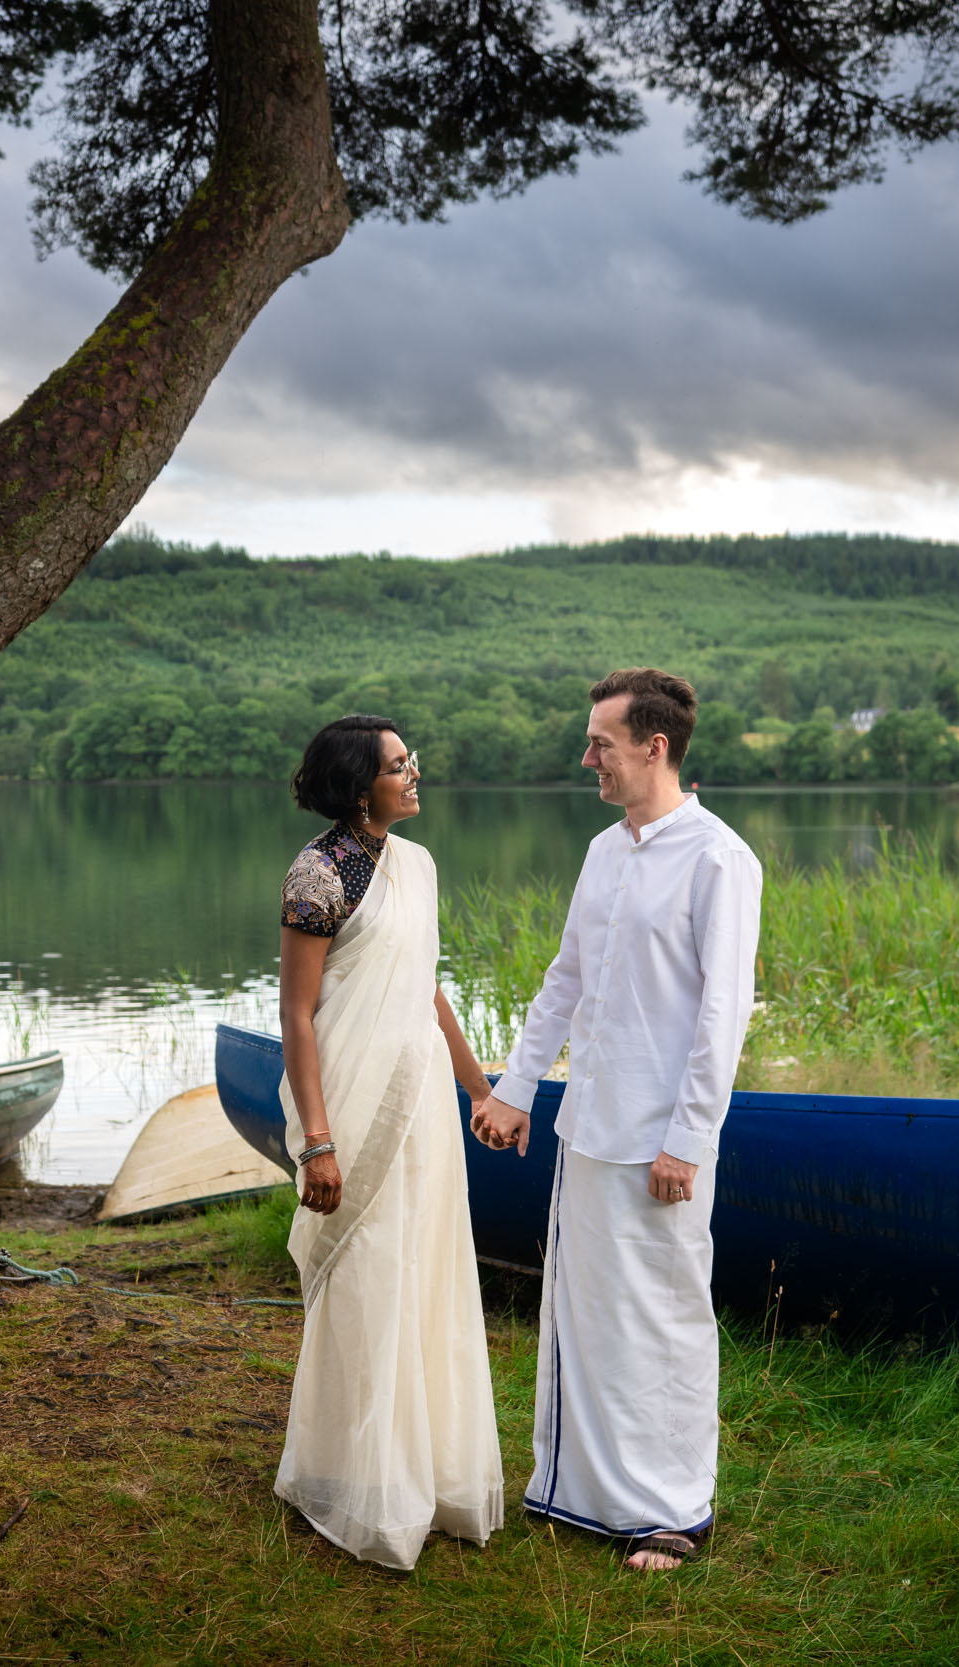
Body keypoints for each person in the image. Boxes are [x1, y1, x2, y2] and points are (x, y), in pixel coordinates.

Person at [469, 668, 762, 1573]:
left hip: (661, 1139)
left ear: (654, 747)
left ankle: (675, 1511)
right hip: (586, 1126)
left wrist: (689, 1139)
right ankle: (584, 1493)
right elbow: (567, 976)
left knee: (665, 1316)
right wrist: (516, 1087)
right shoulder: (604, 850)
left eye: (600, 741)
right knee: (583, 1312)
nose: (586, 756)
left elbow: (724, 1014)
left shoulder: (720, 858)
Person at [273, 715, 506, 1570]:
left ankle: (425, 1472)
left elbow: (425, 989)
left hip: (423, 1110)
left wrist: (479, 1086)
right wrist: (318, 1143)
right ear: (356, 784)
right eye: (399, 765)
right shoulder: (317, 873)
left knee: (425, 1271)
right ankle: (350, 1473)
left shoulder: (420, 865)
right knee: (366, 1278)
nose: (416, 774)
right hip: (349, 1107)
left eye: (410, 761)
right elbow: (298, 1015)